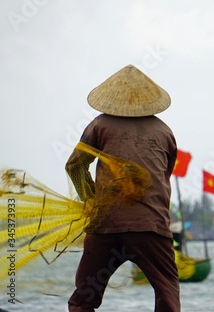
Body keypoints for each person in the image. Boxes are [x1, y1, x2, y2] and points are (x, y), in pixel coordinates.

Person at [65, 65, 180, 312]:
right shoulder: (164, 131)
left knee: (83, 299)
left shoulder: (99, 124)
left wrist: (92, 200)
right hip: (151, 226)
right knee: (167, 292)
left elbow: (75, 166)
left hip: (105, 224)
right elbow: (163, 177)